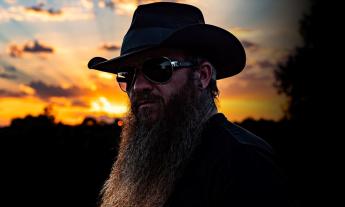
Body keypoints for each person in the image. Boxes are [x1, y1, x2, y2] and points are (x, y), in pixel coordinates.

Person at [88, 2, 290, 207]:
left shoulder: (245, 163)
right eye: (128, 75)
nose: (138, 86)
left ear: (202, 76)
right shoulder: (151, 160)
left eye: (158, 68)